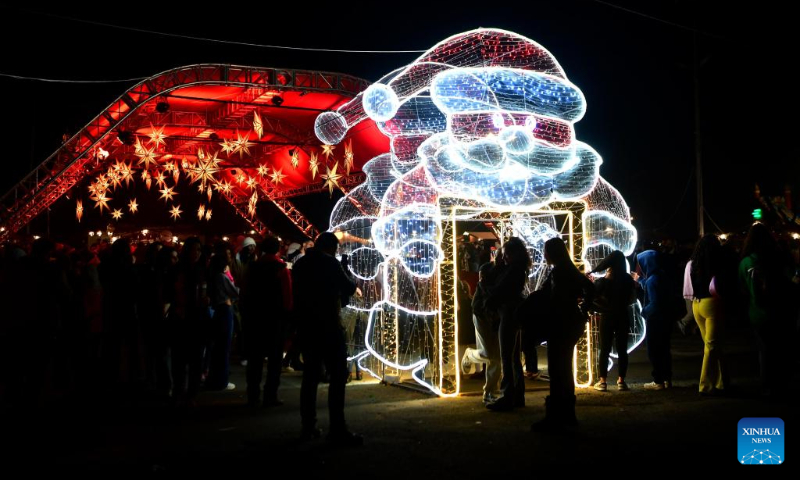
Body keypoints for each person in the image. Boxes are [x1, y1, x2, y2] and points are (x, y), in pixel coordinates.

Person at [292, 232, 362, 445]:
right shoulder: (331, 263)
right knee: (338, 375)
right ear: (332, 248)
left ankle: (308, 426)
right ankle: (337, 429)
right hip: (329, 325)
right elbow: (349, 288)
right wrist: (347, 273)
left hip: (307, 325)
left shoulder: (300, 264)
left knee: (310, 377)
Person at [530, 238, 593, 431]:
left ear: (552, 253)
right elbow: (590, 288)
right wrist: (583, 310)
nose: (545, 255)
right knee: (564, 368)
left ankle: (555, 416)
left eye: (546, 251)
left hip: (560, 324)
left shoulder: (559, 272)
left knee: (557, 370)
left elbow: (553, 299)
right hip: (571, 323)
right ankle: (568, 414)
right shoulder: (570, 269)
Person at [241, 236, 292, 407]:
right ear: (277, 249)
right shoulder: (281, 268)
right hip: (275, 319)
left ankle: (253, 395)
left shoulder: (253, 267)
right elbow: (287, 297)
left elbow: (245, 291)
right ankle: (271, 395)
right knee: (275, 359)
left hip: (256, 318)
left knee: (255, 359)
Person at [485, 237, 530, 411]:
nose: (505, 257)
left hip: (508, 313)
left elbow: (497, 289)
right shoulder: (517, 268)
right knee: (514, 357)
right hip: (514, 313)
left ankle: (507, 395)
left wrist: (488, 289)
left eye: (507, 254)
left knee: (507, 356)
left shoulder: (513, 270)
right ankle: (517, 395)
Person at [591, 251, 636, 392]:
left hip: (607, 316)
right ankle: (622, 381)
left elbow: (594, 296)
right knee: (622, 349)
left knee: (604, 348)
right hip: (623, 315)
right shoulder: (628, 279)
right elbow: (632, 300)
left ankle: (602, 381)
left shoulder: (604, 280)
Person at [689, 235, 729, 395]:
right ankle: (704, 385)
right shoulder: (718, 263)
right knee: (711, 346)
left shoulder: (693, 264)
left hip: (696, 304)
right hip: (712, 303)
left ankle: (722, 382)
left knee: (712, 345)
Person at [637, 249, 673, 390]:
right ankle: (667, 379)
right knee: (665, 349)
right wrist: (639, 280)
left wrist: (644, 311)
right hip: (666, 318)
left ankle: (658, 381)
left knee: (654, 351)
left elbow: (655, 302)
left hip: (655, 320)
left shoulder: (652, 280)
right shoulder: (661, 276)